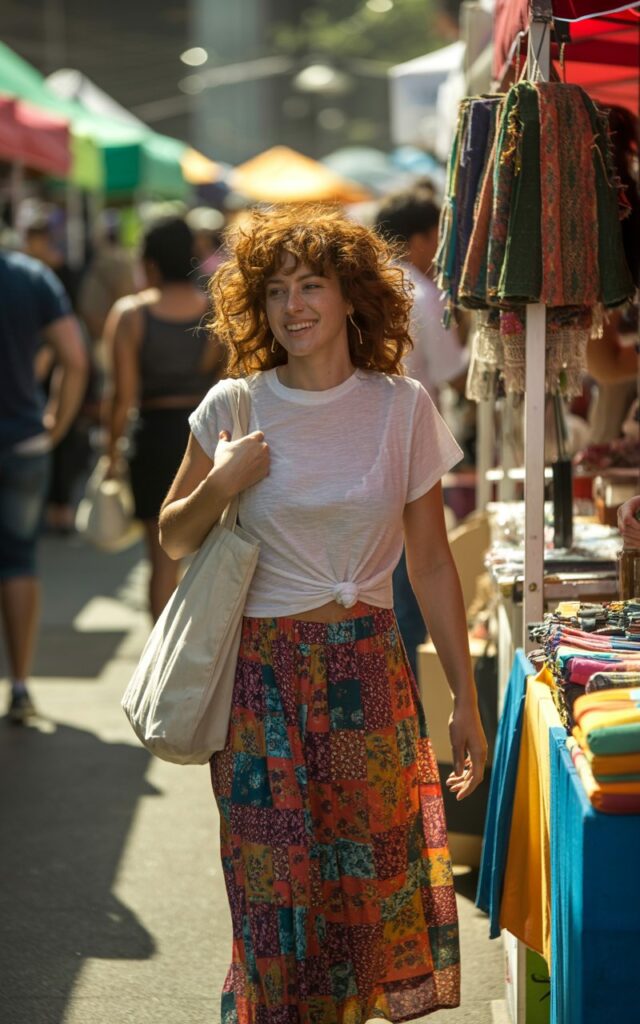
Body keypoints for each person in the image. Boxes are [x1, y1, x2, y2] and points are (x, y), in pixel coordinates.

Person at [159, 206, 487, 1023]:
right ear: (256, 305)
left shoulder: (401, 406)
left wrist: (467, 700)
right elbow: (172, 535)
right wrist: (222, 482)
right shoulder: (234, 404)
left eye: (311, 286)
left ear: (350, 297)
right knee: (275, 891)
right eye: (275, 291)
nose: (293, 306)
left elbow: (434, 561)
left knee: (364, 885)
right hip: (261, 675)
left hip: (367, 664)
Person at [105, 216, 223, 620]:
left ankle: (161, 653)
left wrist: (110, 455)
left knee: (160, 558)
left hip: (153, 438)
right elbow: (225, 385)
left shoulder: (131, 315)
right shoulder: (214, 313)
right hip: (206, 436)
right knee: (211, 551)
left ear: (150, 263)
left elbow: (121, 396)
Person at [375, 189, 470, 677]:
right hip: (406, 451)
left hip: (367, 450)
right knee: (409, 585)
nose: (440, 249)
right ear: (416, 240)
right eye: (436, 237)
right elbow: (455, 372)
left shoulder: (368, 288)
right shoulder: (420, 292)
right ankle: (407, 701)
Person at [0, 246, 87, 722]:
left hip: (26, 441)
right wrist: (56, 424)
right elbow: (75, 357)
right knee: (18, 561)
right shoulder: (32, 278)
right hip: (27, 443)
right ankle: (18, 684)